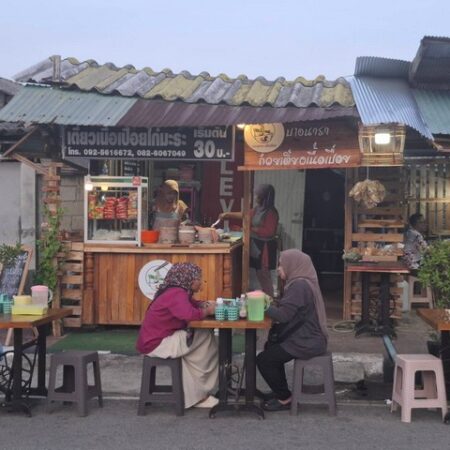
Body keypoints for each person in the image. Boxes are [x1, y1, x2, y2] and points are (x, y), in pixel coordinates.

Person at [136, 262, 219, 409]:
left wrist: (202, 304)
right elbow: (189, 315)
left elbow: (192, 304)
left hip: (155, 340)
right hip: (158, 344)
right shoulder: (177, 294)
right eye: (198, 278)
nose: (200, 281)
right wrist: (208, 311)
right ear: (189, 279)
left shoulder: (174, 290)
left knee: (195, 344)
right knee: (205, 337)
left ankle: (196, 394)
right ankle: (199, 394)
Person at [256, 249, 328, 412]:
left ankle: (285, 398)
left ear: (292, 265)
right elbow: (288, 308)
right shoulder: (300, 283)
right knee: (271, 350)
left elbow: (283, 315)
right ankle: (281, 392)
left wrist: (261, 304)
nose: (280, 268)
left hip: (307, 341)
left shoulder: (299, 286)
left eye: (281, 265)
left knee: (265, 359)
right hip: (306, 337)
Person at [219, 184, 279, 297]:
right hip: (256, 245)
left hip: (264, 247)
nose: (256, 197)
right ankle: (265, 299)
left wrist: (248, 229)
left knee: (264, 274)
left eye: (258, 195)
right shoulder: (258, 209)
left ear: (264, 197)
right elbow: (245, 215)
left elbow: (269, 231)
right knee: (259, 273)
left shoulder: (271, 212)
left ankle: (270, 300)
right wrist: (227, 214)